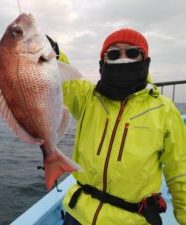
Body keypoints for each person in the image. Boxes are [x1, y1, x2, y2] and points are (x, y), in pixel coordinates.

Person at [58, 28, 186, 225]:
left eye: (133, 53)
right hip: (79, 213)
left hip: (133, 219)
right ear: (103, 63)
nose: (123, 59)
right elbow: (63, 78)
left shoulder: (165, 110)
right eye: (114, 54)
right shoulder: (86, 98)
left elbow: (180, 171)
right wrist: (53, 51)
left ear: (146, 60)